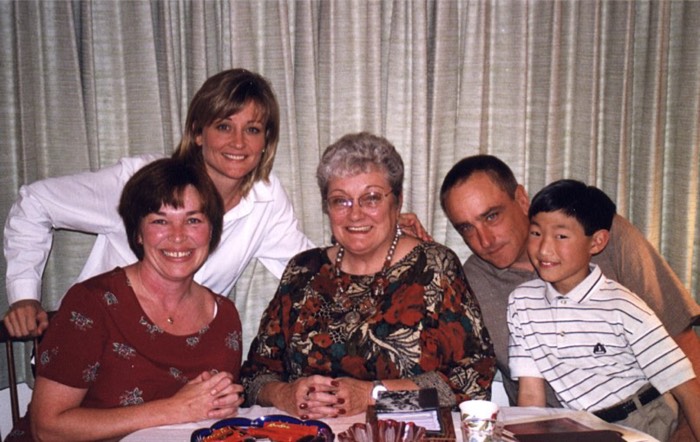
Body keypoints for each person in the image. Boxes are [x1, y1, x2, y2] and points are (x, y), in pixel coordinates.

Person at [2, 67, 430, 339]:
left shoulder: (265, 199)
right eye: (224, 126)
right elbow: (35, 202)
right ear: (198, 131)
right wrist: (24, 295)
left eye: (253, 129)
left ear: (266, 142)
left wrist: (383, 235)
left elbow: (309, 268)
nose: (238, 143)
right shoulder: (144, 181)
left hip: (181, 357)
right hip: (97, 341)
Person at [240, 132, 496, 420]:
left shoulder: (435, 268)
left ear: (397, 202)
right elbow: (253, 376)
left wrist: (374, 396)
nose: (355, 215)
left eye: (371, 198)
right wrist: (284, 395)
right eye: (341, 201)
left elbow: (474, 380)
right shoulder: (302, 271)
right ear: (327, 208)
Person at [8, 158, 244, 441]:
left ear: (212, 230)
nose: (178, 236)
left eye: (193, 220)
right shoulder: (92, 304)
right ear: (138, 233)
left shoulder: (225, 317)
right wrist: (174, 409)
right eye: (160, 221)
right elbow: (47, 429)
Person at [507, 179, 700, 441]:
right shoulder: (522, 303)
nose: (544, 249)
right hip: (584, 425)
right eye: (536, 233)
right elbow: (531, 394)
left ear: (596, 242)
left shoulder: (624, 307)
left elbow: (686, 388)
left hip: (644, 418)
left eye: (561, 236)